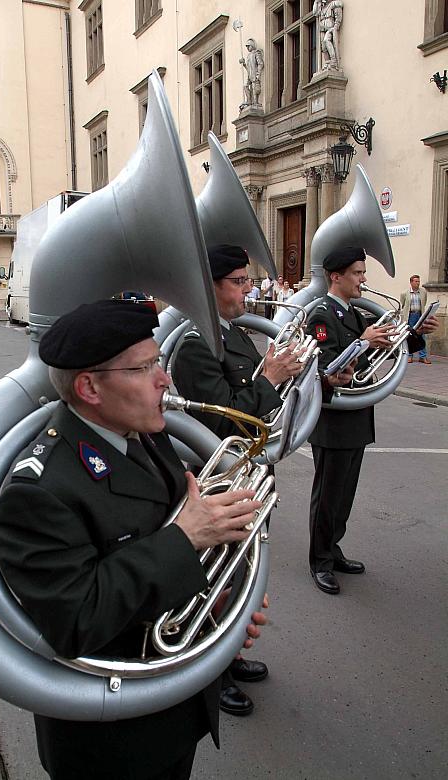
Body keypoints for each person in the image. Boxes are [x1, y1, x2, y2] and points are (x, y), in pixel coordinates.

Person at [0, 299, 267, 780]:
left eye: (158, 361)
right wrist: (186, 538)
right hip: (112, 739)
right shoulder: (39, 490)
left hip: (174, 706)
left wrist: (214, 607)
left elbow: (160, 544)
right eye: (144, 368)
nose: (165, 379)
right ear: (90, 387)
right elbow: (76, 619)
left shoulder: (143, 432)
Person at [172, 244, 304, 715]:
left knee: (245, 575)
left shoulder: (234, 334)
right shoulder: (195, 345)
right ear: (210, 287)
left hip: (250, 474)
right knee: (218, 580)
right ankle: (213, 672)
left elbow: (260, 405)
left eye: (248, 280)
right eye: (238, 282)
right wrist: (270, 378)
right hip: (225, 481)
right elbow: (222, 423)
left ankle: (232, 654)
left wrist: (285, 377)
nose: (248, 290)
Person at [305, 247, 438, 596]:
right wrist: (362, 341)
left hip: (357, 416)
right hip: (334, 419)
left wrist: (415, 333)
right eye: (357, 273)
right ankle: (320, 561)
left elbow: (384, 348)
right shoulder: (321, 315)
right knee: (328, 496)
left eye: (362, 272)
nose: (364, 279)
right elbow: (324, 365)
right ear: (336, 276)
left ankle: (333, 549)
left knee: (344, 495)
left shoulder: (353, 313)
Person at [400, 274, 431, 364]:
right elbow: (403, 304)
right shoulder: (405, 293)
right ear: (411, 282)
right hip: (410, 316)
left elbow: (424, 302)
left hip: (420, 315)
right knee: (410, 335)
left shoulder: (423, 292)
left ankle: (422, 356)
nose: (418, 283)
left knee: (422, 335)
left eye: (418, 281)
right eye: (416, 281)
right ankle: (409, 356)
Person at [239, 38, 264, 109]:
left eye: (248, 46)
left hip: (254, 73)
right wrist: (244, 64)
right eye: (246, 46)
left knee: (254, 87)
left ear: (252, 45)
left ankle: (256, 102)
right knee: (245, 86)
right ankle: (249, 100)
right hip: (249, 74)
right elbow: (248, 68)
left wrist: (258, 74)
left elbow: (260, 63)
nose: (247, 48)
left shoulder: (256, 53)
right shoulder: (248, 56)